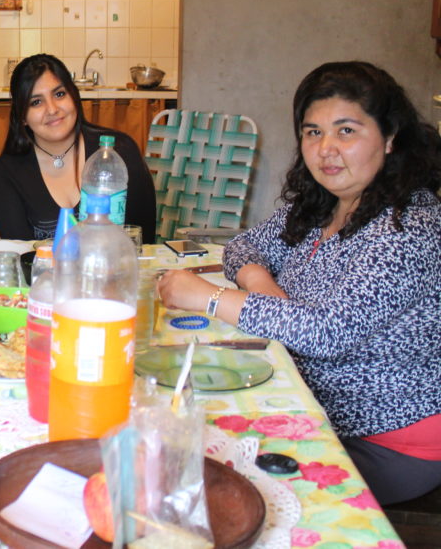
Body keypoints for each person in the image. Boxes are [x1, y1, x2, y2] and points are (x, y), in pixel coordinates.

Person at [158, 61, 441, 505]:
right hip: (314, 403)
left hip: (385, 437)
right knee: (177, 430)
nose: (326, 149)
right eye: (313, 132)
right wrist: (262, 284)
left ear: (389, 137)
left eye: (346, 131)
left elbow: (328, 332)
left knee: (208, 481)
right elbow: (242, 247)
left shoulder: (408, 227)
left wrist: (209, 297)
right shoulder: (323, 204)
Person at [0, 53, 157, 242]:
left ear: (74, 96)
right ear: (22, 117)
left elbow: (144, 239)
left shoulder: (119, 151)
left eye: (59, 94)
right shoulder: (5, 173)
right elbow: (21, 255)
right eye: (36, 102)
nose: (52, 109)